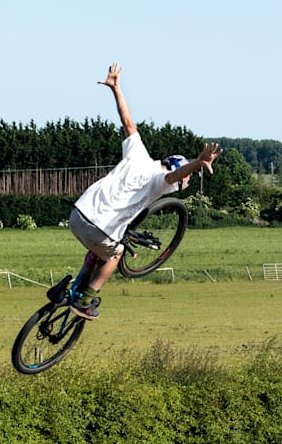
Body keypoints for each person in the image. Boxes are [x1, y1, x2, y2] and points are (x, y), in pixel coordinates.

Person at [66, 63, 222, 320]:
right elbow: (175, 176)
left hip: (78, 213)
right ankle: (85, 299)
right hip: (99, 228)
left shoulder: (137, 153)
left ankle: (71, 289)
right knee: (114, 254)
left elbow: (127, 121)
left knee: (97, 249)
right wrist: (198, 163)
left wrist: (116, 88)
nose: (182, 184)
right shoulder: (161, 180)